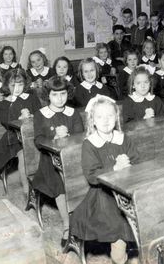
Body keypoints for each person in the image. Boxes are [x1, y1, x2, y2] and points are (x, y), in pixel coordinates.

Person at [70, 95, 138, 264]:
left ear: (116, 117)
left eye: (110, 116)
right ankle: (120, 254)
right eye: (100, 116)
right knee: (118, 228)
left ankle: (129, 251)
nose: (106, 120)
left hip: (127, 190)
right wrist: (114, 168)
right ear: (92, 120)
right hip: (103, 196)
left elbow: (137, 161)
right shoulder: (90, 144)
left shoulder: (123, 138)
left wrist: (129, 163)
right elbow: (91, 175)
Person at [31, 76, 84, 246]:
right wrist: (54, 137)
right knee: (59, 181)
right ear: (48, 95)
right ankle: (67, 225)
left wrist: (68, 135)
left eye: (63, 94)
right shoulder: (41, 114)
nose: (60, 98)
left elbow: (80, 137)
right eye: (55, 95)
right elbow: (38, 140)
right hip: (49, 160)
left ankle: (85, 219)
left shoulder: (72, 112)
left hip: (72, 157)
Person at [0, 69, 41, 192]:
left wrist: (32, 117)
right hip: (14, 136)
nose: (17, 88)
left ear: (25, 84)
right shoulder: (4, 103)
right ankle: (27, 190)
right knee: (24, 155)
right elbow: (5, 122)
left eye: (20, 84)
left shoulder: (32, 97)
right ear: (7, 86)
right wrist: (20, 119)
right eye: (13, 85)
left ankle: (42, 183)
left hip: (34, 132)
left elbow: (40, 115)